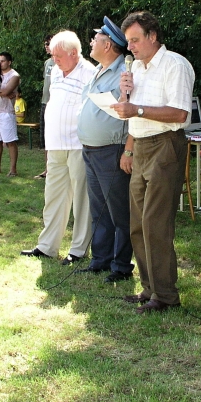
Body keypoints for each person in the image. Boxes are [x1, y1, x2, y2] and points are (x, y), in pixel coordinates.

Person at [110, 11, 195, 314]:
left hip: (165, 145)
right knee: (137, 223)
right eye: (128, 41)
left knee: (155, 223)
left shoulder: (175, 65)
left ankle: (166, 295)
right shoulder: (136, 68)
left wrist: (137, 109)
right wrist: (129, 148)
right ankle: (149, 289)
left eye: (135, 40)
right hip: (142, 146)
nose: (130, 46)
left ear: (153, 36)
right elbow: (132, 113)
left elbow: (180, 114)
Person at [20, 30, 93, 265]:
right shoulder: (56, 71)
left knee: (82, 199)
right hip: (56, 144)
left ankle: (79, 249)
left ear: (74, 53)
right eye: (53, 55)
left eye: (58, 56)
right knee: (53, 196)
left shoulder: (89, 72)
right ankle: (47, 246)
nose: (54, 60)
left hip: (78, 144)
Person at [75, 16, 134, 283]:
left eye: (95, 39)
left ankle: (121, 265)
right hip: (91, 150)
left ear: (108, 45)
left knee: (119, 211)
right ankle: (100, 259)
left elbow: (127, 108)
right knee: (98, 209)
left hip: (112, 149)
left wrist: (128, 151)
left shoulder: (125, 71)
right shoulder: (99, 69)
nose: (91, 42)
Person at [0, 51, 20, 177]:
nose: (0, 63)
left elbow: (6, 91)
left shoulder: (14, 75)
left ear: (9, 62)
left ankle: (13, 169)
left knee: (10, 142)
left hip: (7, 112)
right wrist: (1, 92)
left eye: (3, 61)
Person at [34, 34, 55, 179]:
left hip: (56, 105)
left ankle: (54, 170)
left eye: (48, 43)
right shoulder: (47, 62)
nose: (46, 46)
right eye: (45, 44)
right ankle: (47, 169)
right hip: (45, 102)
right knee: (46, 137)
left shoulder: (64, 62)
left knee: (54, 137)